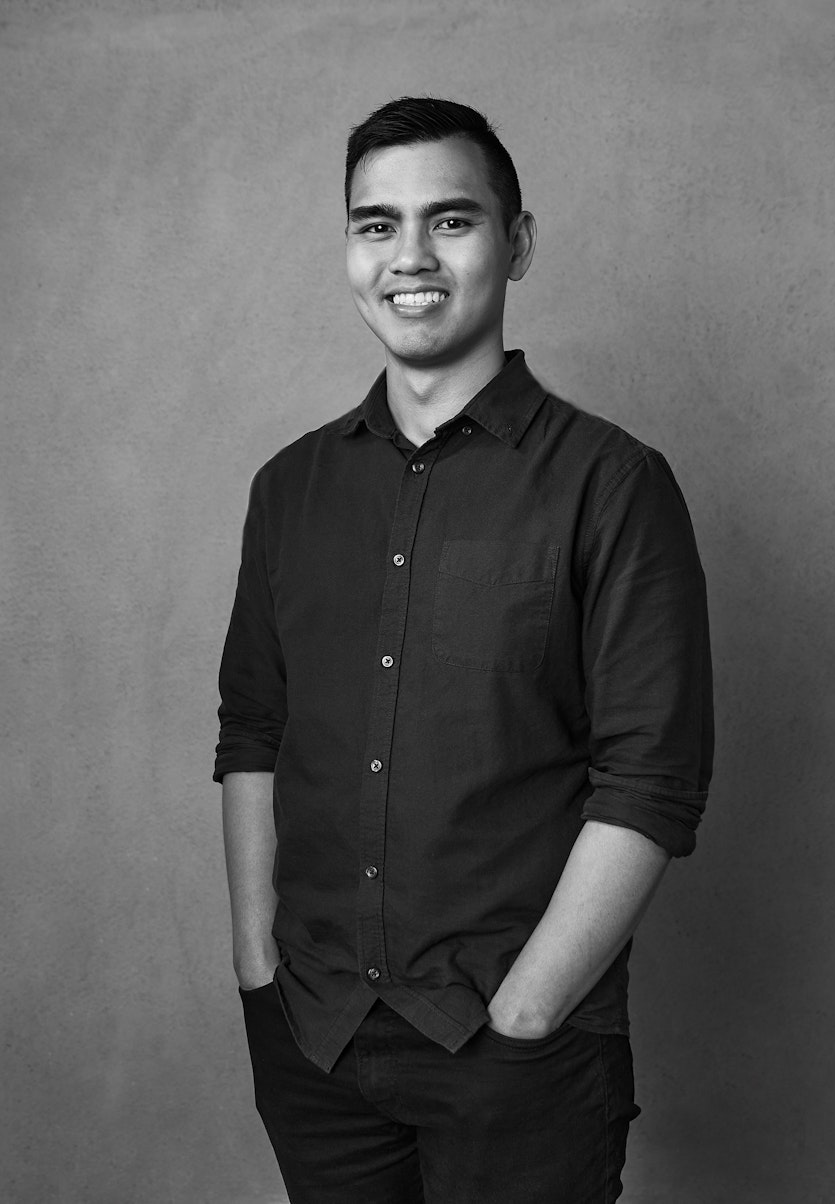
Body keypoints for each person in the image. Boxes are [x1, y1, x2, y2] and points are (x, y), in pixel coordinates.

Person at [214, 96, 713, 1203]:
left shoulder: (613, 486)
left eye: (450, 220)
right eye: (376, 224)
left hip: (521, 1055)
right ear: (350, 249)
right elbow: (253, 731)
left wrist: (530, 1010)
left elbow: (652, 780)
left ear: (516, 243)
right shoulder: (288, 489)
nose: (410, 257)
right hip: (315, 1039)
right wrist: (258, 967)